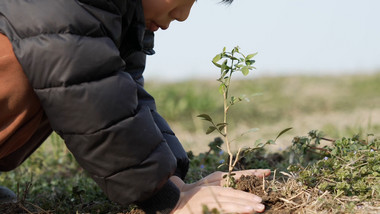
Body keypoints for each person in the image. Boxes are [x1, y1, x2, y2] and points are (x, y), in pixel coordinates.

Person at [0, 0, 271, 213]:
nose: (184, 14)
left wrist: (172, 181)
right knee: (32, 59)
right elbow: (91, 98)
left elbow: (123, 97)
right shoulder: (66, 6)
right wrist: (167, 202)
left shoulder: (116, 15)